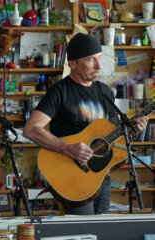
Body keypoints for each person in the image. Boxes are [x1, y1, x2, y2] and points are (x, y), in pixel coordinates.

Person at [23, 33, 148, 215]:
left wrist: (132, 130)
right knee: (84, 232)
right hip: (72, 177)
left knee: (101, 231)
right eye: (91, 60)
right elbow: (31, 129)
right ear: (72, 63)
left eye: (99, 59)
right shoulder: (60, 92)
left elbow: (114, 134)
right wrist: (68, 148)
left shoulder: (104, 91)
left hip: (101, 175)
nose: (98, 66)